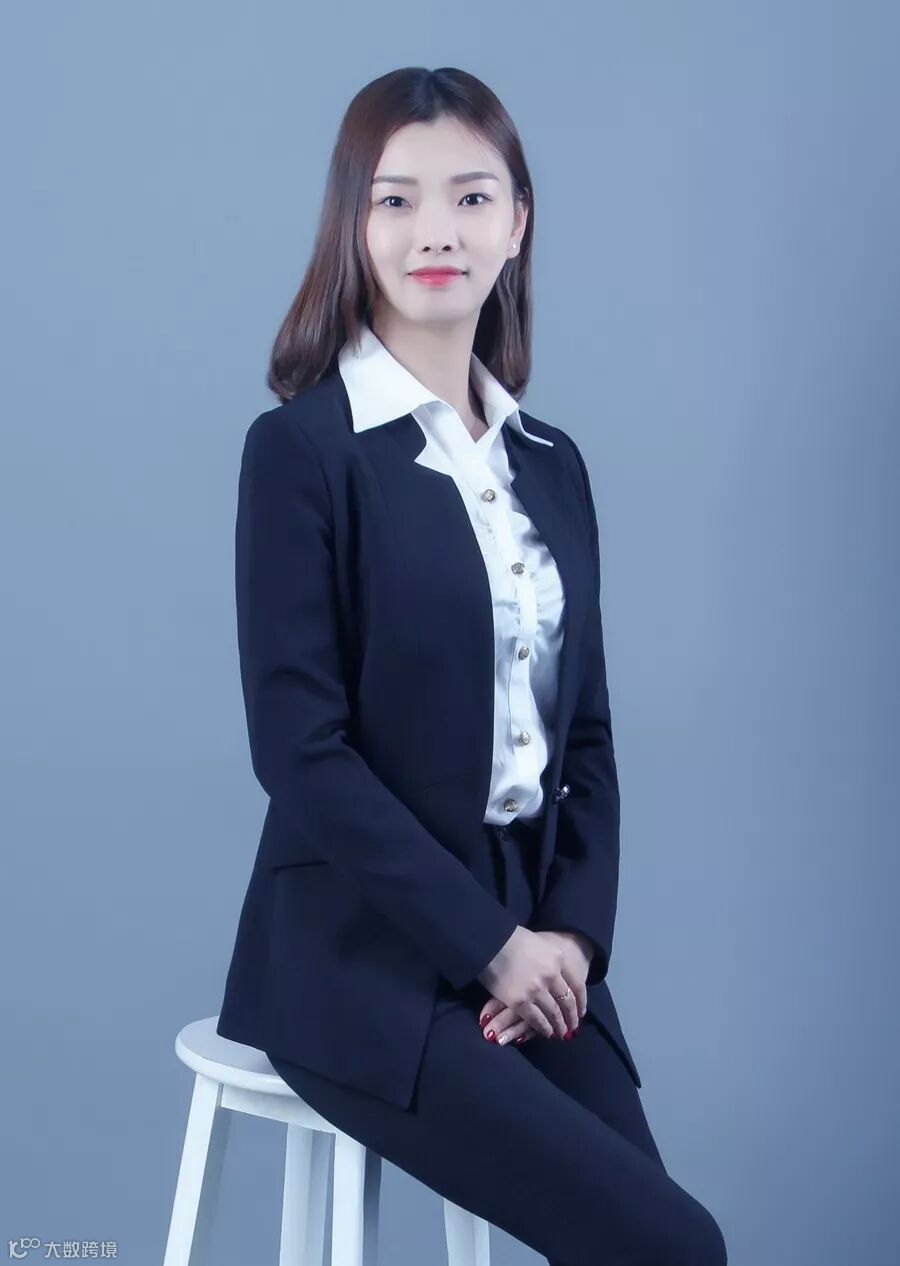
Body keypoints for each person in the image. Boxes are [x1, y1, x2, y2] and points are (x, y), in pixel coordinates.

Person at [216, 65, 728, 1266]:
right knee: (671, 1247)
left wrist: (570, 944)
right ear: (354, 226)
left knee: (662, 1250)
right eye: (396, 200)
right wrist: (487, 945)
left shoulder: (553, 463)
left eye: (471, 196)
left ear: (518, 223)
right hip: (359, 952)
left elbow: (586, 739)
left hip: (534, 949)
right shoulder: (302, 453)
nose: (435, 231)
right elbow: (299, 752)